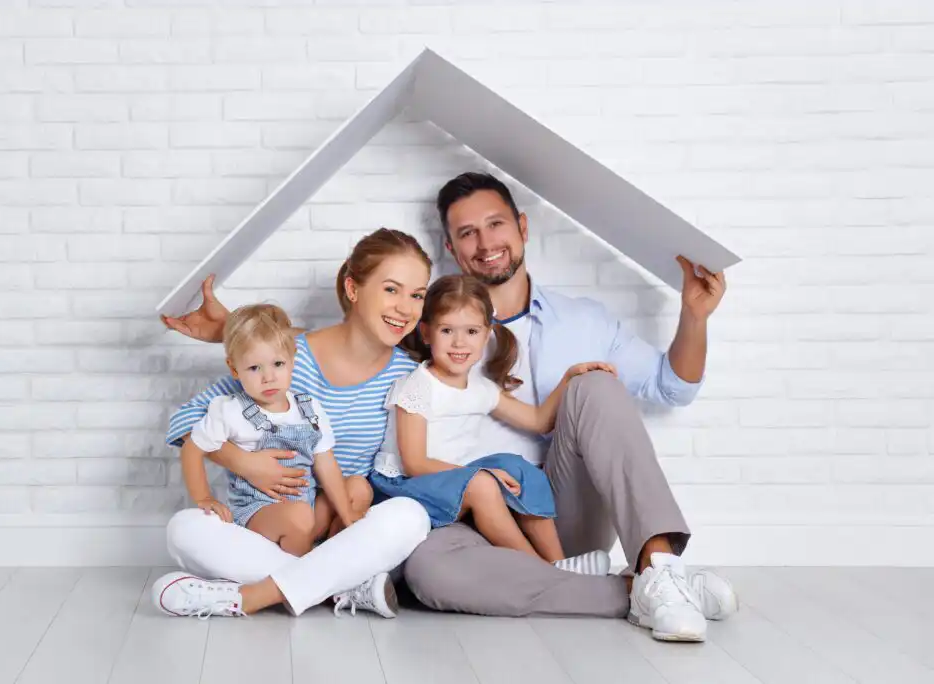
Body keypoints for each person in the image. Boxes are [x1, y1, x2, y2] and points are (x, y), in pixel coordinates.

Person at [401, 172, 738, 642]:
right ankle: (645, 590)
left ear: (522, 227)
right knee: (427, 571)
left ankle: (659, 563)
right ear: (452, 248)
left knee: (593, 385)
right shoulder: (438, 332)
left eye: (496, 224)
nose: (485, 243)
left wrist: (695, 317)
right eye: (467, 233)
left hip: (560, 513)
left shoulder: (585, 320)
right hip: (472, 518)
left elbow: (672, 387)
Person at [152, 228, 434, 620]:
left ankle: (250, 596)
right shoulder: (288, 356)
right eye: (391, 289)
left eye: (417, 295)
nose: (405, 308)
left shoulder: (409, 377)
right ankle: (339, 586)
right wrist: (245, 463)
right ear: (353, 289)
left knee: (410, 516)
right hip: (274, 521)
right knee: (184, 529)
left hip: (341, 526)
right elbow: (186, 422)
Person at [371, 274, 613, 575]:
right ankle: (546, 572)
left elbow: (538, 422)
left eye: (471, 331)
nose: (459, 343)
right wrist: (479, 473)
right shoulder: (418, 386)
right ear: (426, 333)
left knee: (517, 467)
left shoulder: (480, 387)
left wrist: (568, 379)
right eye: (447, 330)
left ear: (487, 335)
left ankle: (559, 561)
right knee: (484, 484)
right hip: (402, 485)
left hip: (453, 479)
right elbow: (414, 463)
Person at [180, 303, 364, 557]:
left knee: (357, 488)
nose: (268, 377)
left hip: (306, 508)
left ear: (292, 360)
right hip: (260, 513)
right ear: (234, 369)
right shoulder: (230, 411)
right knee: (298, 515)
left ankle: (328, 561)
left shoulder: (309, 408)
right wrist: (204, 498)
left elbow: (326, 464)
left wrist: (346, 515)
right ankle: (299, 580)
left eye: (277, 363)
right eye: (254, 368)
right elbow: (192, 448)